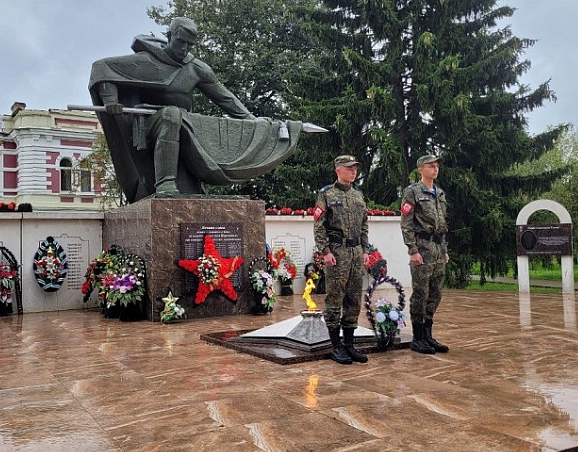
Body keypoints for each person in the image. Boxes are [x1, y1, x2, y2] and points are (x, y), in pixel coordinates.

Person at [88, 17, 302, 202]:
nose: (184, 49)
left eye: (189, 45)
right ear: (169, 35)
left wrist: (251, 120)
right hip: (147, 125)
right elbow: (102, 68)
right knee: (171, 114)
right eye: (180, 41)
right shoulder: (146, 61)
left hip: (185, 124)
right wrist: (110, 99)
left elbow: (225, 97)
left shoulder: (197, 69)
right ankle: (165, 184)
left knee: (177, 117)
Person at [313, 155, 371, 364]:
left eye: (355, 168)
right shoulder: (326, 194)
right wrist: (325, 251)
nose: (353, 171)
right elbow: (319, 226)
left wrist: (365, 249)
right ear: (338, 169)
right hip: (337, 253)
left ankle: (349, 344)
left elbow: (364, 225)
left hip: (356, 252)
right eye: (349, 168)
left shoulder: (358, 195)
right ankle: (336, 346)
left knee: (354, 298)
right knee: (335, 298)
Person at [400, 154, 450, 354]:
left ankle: (428, 335)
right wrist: (413, 250)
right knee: (421, 293)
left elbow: (443, 224)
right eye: (430, 166)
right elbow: (406, 224)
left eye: (436, 166)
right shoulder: (412, 192)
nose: (435, 169)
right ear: (421, 169)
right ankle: (418, 337)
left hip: (438, 248)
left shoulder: (440, 193)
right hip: (422, 248)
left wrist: (444, 250)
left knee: (435, 293)